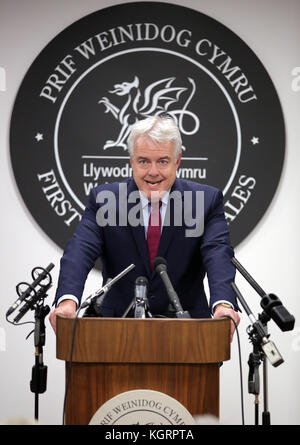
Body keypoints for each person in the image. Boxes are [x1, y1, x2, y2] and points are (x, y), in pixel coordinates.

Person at [49, 116, 240, 339]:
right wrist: (67, 300)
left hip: (186, 333)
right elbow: (80, 250)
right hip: (115, 333)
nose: (153, 171)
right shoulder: (104, 200)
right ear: (131, 161)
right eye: (143, 161)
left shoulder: (205, 202)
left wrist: (224, 305)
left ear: (177, 161)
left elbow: (218, 254)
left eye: (162, 161)